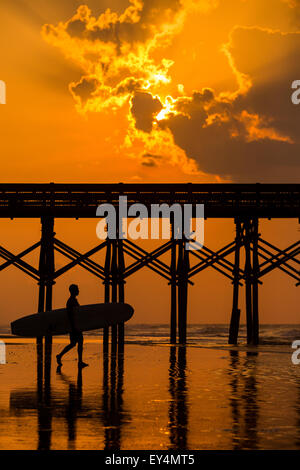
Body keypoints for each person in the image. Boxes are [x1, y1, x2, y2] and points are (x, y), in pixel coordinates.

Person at [56, 284, 88, 368]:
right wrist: (73, 327)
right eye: (77, 289)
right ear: (73, 291)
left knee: (74, 343)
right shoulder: (71, 301)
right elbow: (70, 315)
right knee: (78, 342)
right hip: (74, 326)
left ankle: (60, 356)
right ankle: (79, 362)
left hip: (75, 326)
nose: (78, 291)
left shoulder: (73, 300)